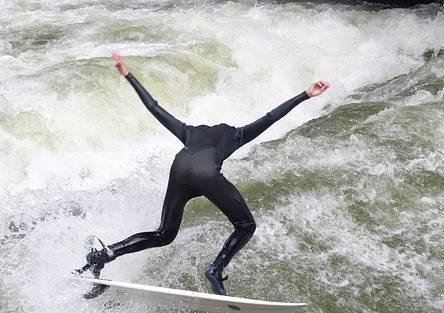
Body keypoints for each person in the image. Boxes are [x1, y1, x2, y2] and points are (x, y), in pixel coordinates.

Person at [77, 52, 330, 298]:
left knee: (164, 234)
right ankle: (216, 269)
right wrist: (306, 94)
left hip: (178, 171)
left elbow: (154, 107)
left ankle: (105, 254)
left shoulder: (189, 132)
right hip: (205, 175)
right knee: (246, 225)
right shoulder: (236, 133)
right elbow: (271, 117)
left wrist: (127, 74)